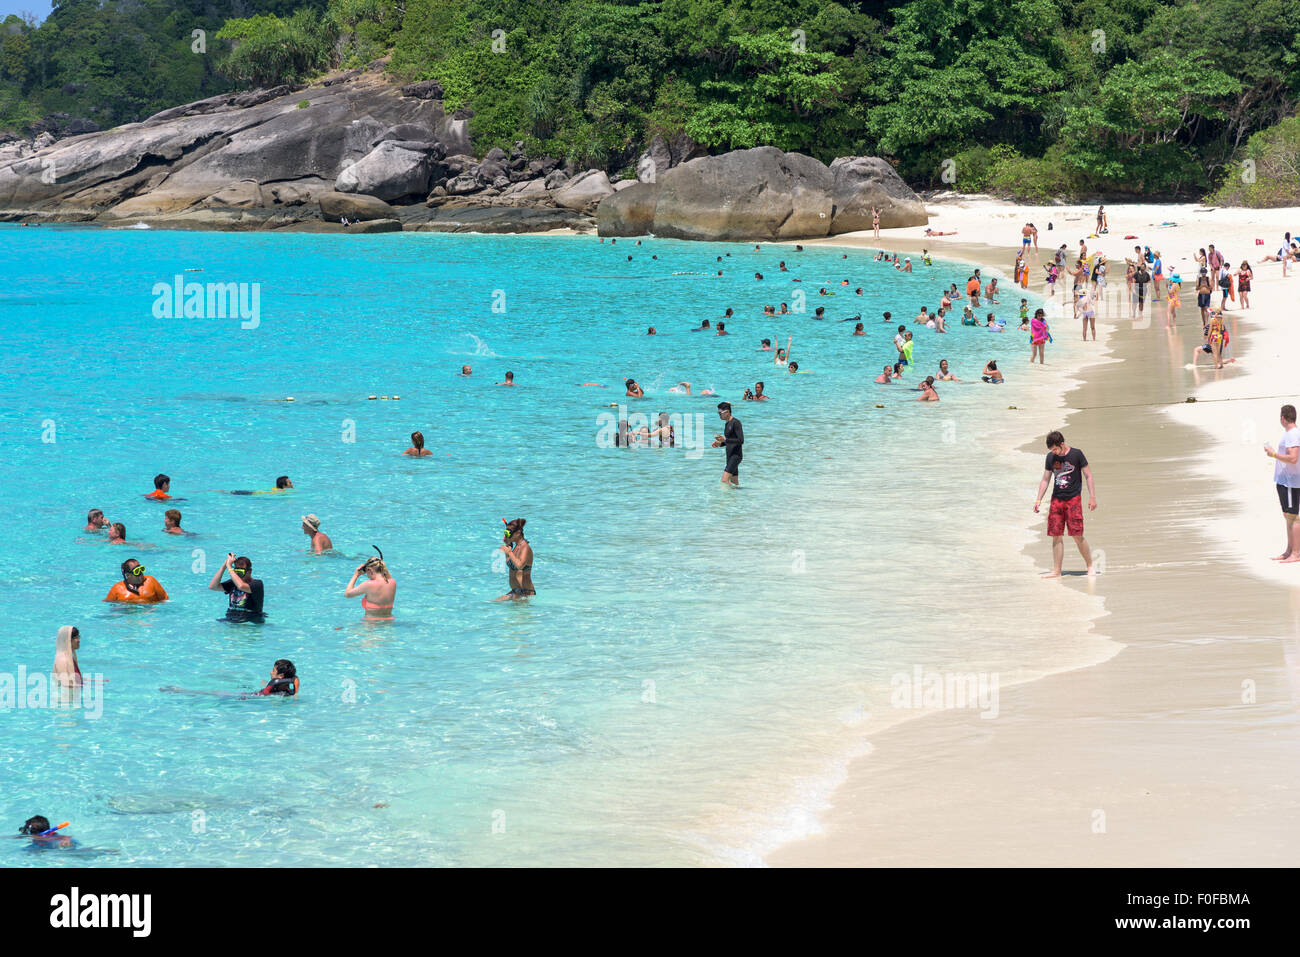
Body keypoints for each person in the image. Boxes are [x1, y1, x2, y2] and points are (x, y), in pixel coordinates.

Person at [1034, 430, 1097, 577]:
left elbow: (1088, 476)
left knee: (1077, 534)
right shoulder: (1051, 457)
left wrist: (1092, 497)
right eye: (1051, 450)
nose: (1053, 452)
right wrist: (1038, 499)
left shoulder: (1077, 454)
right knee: (1056, 535)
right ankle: (1056, 571)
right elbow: (1045, 479)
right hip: (1057, 500)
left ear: (1062, 444)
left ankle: (1090, 566)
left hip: (1073, 499)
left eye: (1055, 449)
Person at [1266, 405, 1300, 563]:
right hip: (1286, 482)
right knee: (1289, 516)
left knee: (1293, 517)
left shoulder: (1292, 434)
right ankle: (1289, 551)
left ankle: (1296, 553)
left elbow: (1293, 458)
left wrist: (1273, 454)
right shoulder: (1291, 434)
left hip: (1291, 482)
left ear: (1283, 418)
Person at [208, 554, 265, 623]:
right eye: (236, 571)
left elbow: (241, 586)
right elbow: (212, 586)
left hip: (251, 619)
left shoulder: (257, 584)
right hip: (232, 617)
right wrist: (224, 566)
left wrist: (229, 567)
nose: (237, 575)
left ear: (249, 572)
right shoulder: (233, 583)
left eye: (240, 572)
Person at [346, 553, 395, 619]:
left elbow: (348, 594)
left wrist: (356, 575)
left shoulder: (368, 584)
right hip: (388, 622)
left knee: (338, 628)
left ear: (370, 570)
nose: (367, 575)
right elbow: (387, 575)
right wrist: (380, 563)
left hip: (371, 625)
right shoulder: (392, 582)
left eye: (366, 572)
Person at [496, 518, 535, 599]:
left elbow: (519, 565)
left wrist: (509, 552)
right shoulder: (516, 546)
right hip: (516, 592)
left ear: (518, 533)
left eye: (508, 533)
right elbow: (511, 564)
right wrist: (508, 544)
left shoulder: (525, 548)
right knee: (492, 603)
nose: (506, 536)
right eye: (505, 533)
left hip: (525, 593)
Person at [104, 558, 168, 603]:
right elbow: (109, 604)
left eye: (141, 569)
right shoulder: (118, 588)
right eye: (137, 571)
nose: (141, 573)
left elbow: (165, 600)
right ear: (128, 575)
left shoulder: (151, 581)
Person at [713, 402, 743, 487]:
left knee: (724, 480)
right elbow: (730, 441)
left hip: (736, 456)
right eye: (718, 413)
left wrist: (725, 439)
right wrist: (720, 443)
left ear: (727, 412)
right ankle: (738, 499)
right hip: (730, 456)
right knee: (734, 483)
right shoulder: (727, 424)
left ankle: (727, 499)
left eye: (720, 413)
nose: (719, 415)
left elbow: (741, 440)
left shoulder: (736, 423)